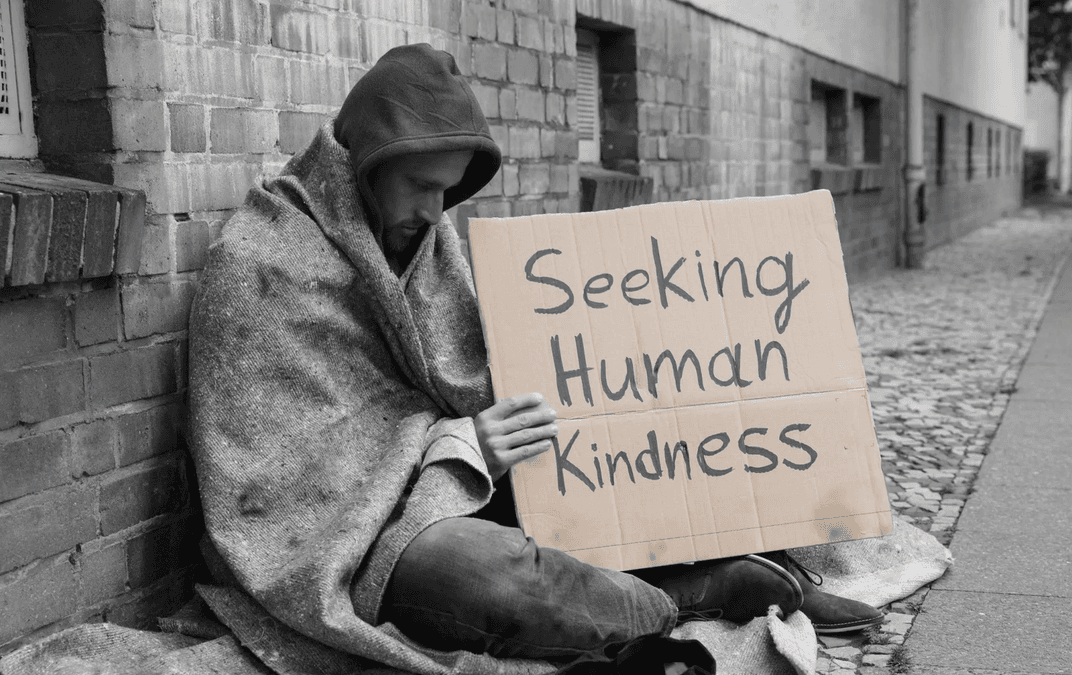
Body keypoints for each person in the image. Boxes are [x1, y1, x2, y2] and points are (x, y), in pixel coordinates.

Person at [187, 44, 881, 674]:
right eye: (420, 185)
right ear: (367, 161)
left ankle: (742, 559)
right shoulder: (261, 261)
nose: (436, 213)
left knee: (592, 449)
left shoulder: (423, 245)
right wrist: (460, 446)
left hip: (442, 487)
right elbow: (289, 492)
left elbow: (465, 384)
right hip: (354, 548)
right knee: (477, 576)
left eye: (448, 190)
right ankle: (687, 595)